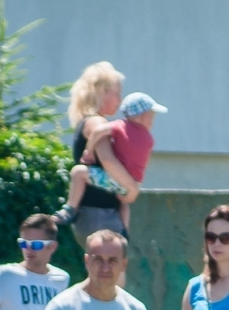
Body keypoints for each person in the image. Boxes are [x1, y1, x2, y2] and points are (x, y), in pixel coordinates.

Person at [57, 91, 165, 235]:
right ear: (144, 116)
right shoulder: (149, 139)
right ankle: (124, 231)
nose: (152, 122)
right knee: (122, 202)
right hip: (131, 184)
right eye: (152, 118)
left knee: (78, 172)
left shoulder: (120, 126)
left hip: (114, 179)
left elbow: (97, 132)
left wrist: (89, 151)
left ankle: (70, 208)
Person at [53, 62, 132, 245]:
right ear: (102, 92)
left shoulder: (87, 122)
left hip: (93, 214)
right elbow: (108, 161)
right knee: (111, 271)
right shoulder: (97, 123)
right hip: (98, 214)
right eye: (117, 93)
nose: (120, 100)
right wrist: (132, 188)